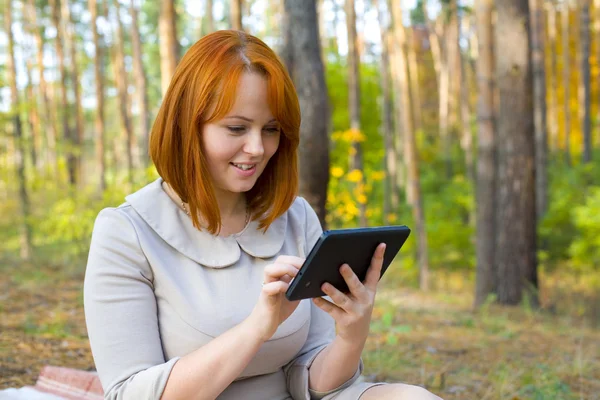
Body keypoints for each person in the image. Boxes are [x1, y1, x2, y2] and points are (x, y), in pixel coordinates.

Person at [83, 30, 442, 400]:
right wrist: (258, 325)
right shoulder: (126, 232)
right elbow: (128, 393)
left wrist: (352, 333)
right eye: (236, 128)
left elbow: (314, 384)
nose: (257, 148)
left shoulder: (295, 216)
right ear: (187, 127)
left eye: (270, 130)